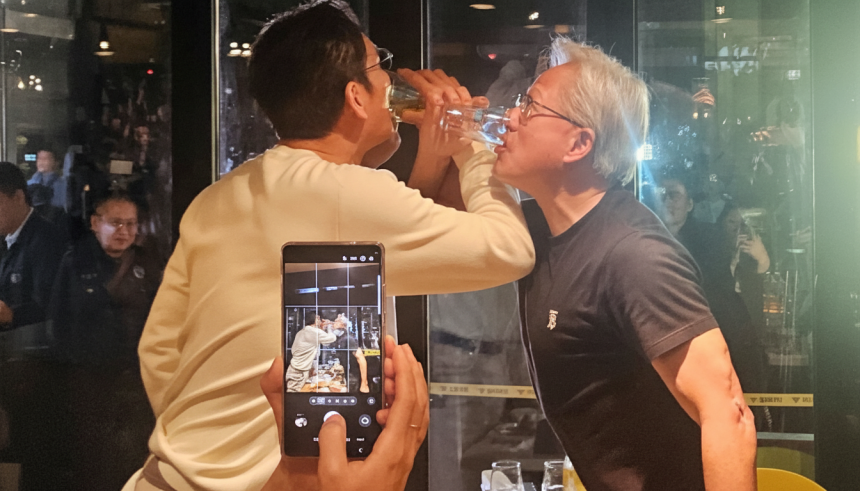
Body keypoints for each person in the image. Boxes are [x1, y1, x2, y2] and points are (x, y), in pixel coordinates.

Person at [126, 1, 534, 490]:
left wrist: (204, 444)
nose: (391, 78)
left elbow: (159, 349)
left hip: (164, 475)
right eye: (380, 66)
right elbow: (510, 248)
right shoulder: (345, 194)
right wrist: (470, 137)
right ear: (356, 97)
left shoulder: (222, 194)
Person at [493, 38, 757, 490]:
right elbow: (434, 217)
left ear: (579, 143)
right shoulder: (539, 227)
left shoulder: (633, 252)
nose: (510, 118)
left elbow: (727, 410)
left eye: (530, 107)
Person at [49, 192, 162, 488]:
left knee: (136, 455)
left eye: (130, 224)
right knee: (92, 458)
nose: (123, 231)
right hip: (91, 379)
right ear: (95, 223)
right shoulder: (75, 262)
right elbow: (58, 322)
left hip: (135, 380)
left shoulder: (148, 266)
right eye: (115, 223)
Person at [259, 336, 429, 491]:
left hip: (354, 382)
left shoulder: (346, 337)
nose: (334, 320)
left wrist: (293, 481)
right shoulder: (334, 338)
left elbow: (360, 359)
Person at [286, 312, 337, 392]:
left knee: (295, 395)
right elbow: (332, 338)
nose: (321, 321)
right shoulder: (313, 332)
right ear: (316, 319)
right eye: (319, 319)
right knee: (294, 395)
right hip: (299, 372)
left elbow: (324, 342)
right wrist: (329, 327)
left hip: (295, 369)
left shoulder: (302, 332)